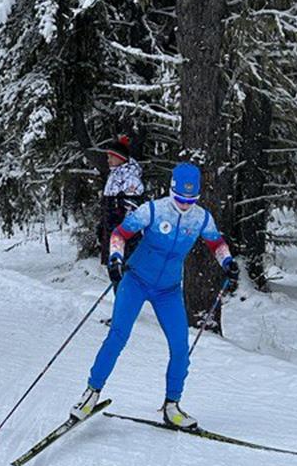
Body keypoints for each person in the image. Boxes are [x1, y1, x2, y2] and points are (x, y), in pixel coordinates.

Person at [72, 162, 239, 430]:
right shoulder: (153, 210)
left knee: (180, 347)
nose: (185, 204)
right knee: (118, 335)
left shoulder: (201, 218)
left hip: (169, 290)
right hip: (136, 280)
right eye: (180, 198)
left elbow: (216, 243)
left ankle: (172, 406)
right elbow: (119, 234)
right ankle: (91, 393)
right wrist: (115, 258)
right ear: (172, 190)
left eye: (191, 199)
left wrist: (227, 261)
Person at [99, 135, 144, 265]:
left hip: (125, 237)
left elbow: (132, 210)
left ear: (121, 157)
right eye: (108, 157)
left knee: (124, 271)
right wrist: (103, 226)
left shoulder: (130, 177)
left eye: (112, 157)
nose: (109, 160)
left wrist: (121, 225)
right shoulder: (114, 175)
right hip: (112, 233)